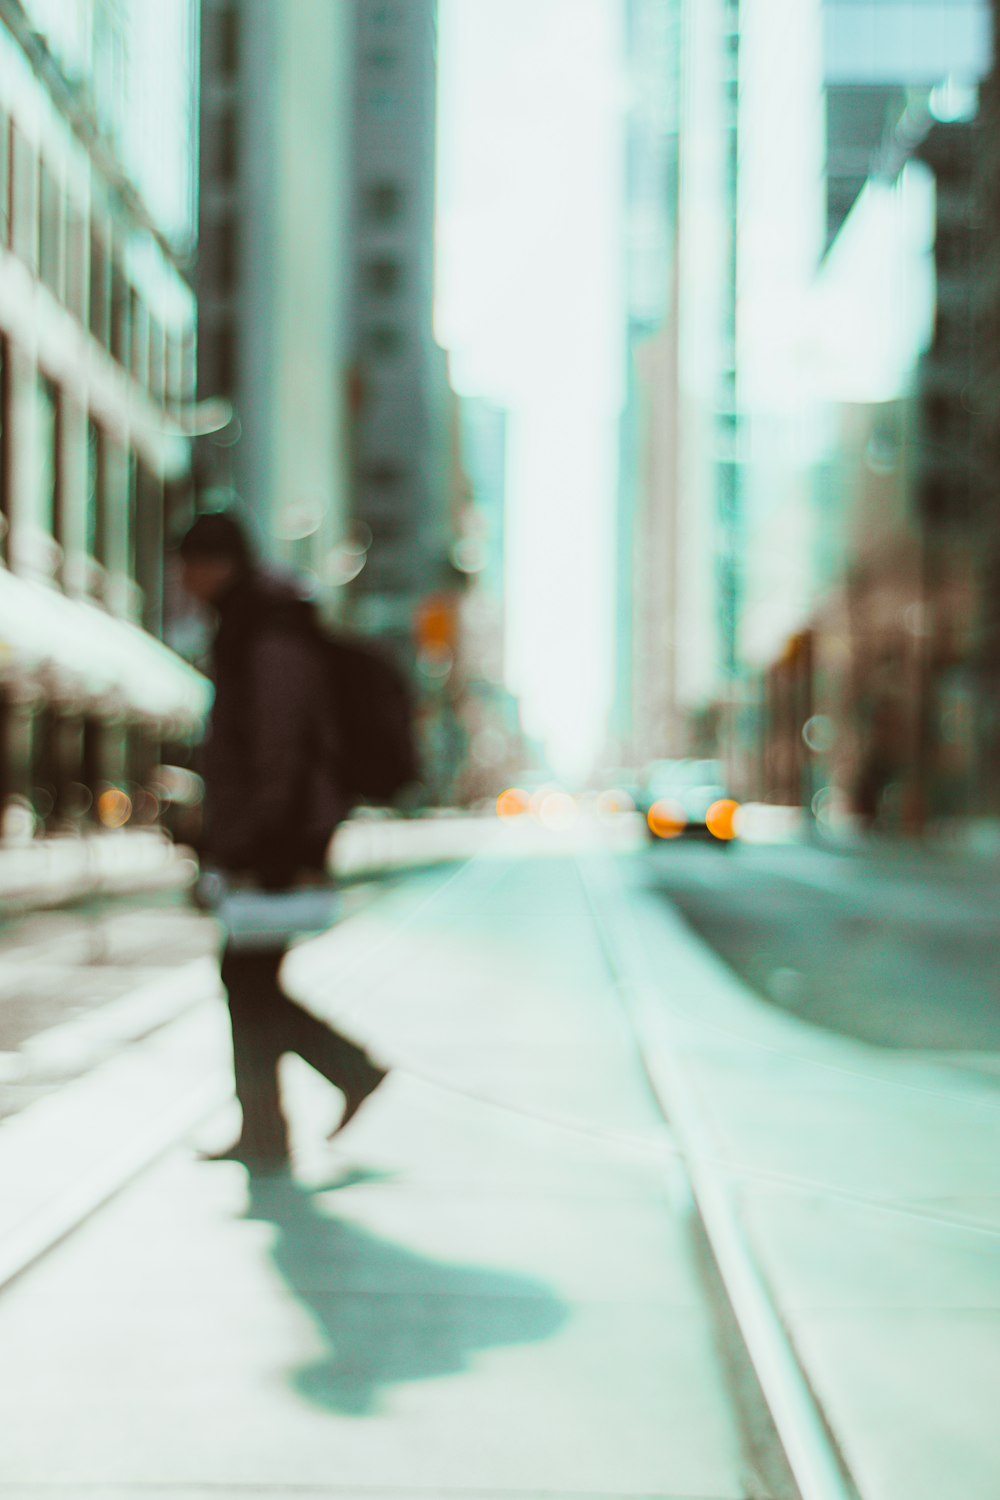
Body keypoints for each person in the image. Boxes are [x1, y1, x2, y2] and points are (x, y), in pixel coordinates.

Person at [178, 510, 387, 1169]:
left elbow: (280, 743)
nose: (183, 581)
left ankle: (332, 1083)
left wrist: (258, 837)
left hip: (279, 834)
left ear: (218, 565)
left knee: (246, 977)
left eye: (190, 565)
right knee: (248, 977)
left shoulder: (264, 629)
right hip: (272, 829)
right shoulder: (253, 622)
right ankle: (270, 1124)